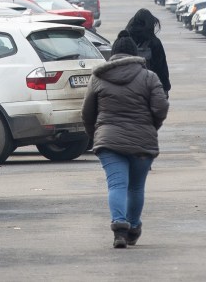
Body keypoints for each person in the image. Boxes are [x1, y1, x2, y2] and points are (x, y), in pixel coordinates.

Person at [82, 33, 169, 249]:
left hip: (109, 142)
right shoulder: (149, 77)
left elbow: (87, 112)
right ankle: (133, 228)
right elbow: (161, 107)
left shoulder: (98, 78)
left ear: (113, 54)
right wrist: (152, 126)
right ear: (134, 54)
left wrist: (96, 134)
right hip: (142, 139)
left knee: (117, 184)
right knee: (136, 187)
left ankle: (119, 228)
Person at [124, 8, 171, 96]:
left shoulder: (124, 41)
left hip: (128, 89)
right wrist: (165, 88)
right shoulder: (155, 42)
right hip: (150, 90)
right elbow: (161, 69)